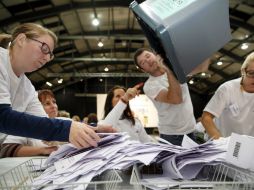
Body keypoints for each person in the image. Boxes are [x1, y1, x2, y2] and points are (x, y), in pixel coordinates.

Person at [0, 23, 114, 149]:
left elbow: (44, 121)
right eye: (44, 49)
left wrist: (93, 128)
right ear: (21, 40)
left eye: (50, 54)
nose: (47, 58)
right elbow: (3, 117)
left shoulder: (27, 87)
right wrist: (66, 129)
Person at [133, 48, 196, 145]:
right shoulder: (150, 86)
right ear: (143, 70)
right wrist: (168, 69)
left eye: (148, 56)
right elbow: (176, 99)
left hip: (191, 130)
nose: (148, 61)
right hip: (172, 136)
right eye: (143, 63)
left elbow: (201, 67)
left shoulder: (176, 69)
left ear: (155, 54)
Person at [201, 52, 254, 139]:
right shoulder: (228, 88)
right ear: (243, 71)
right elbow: (206, 118)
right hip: (220, 141)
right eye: (251, 73)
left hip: (245, 145)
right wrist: (221, 142)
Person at [1, 89, 60, 157]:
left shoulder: (62, 122)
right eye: (47, 103)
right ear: (35, 106)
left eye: (54, 102)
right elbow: (6, 148)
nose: (53, 106)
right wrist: (43, 150)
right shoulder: (25, 124)